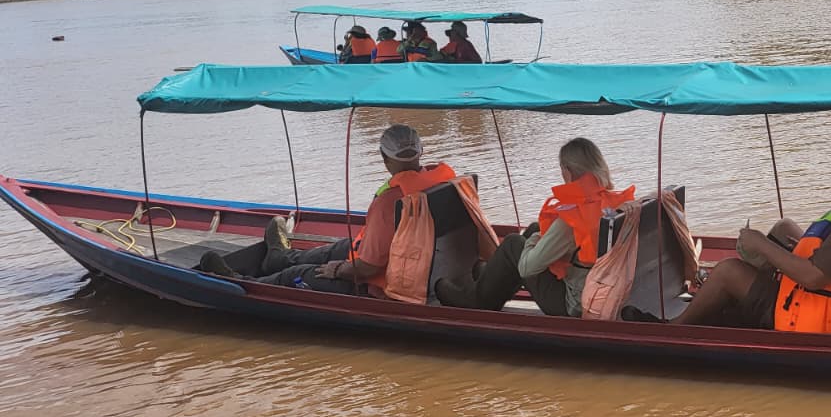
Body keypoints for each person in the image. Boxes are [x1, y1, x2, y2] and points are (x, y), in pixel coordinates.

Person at [625, 138, 831, 333]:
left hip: (812, 316)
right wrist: (788, 252)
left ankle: (675, 329)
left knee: (727, 271)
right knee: (785, 227)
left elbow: (814, 277)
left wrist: (762, 245)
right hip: (827, 295)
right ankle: (724, 299)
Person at [195, 125, 471, 297]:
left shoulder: (392, 201)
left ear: (384, 158)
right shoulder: (444, 179)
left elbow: (368, 267)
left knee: (299, 274)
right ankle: (279, 256)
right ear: (421, 153)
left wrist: (338, 270)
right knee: (340, 247)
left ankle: (240, 281)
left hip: (386, 281)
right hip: (424, 258)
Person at [435, 137, 633, 315]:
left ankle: (476, 301)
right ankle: (490, 278)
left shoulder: (571, 220)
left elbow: (526, 268)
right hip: (603, 290)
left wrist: (536, 239)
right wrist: (537, 234)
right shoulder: (617, 205)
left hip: (573, 305)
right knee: (533, 228)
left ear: (569, 172)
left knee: (514, 244)